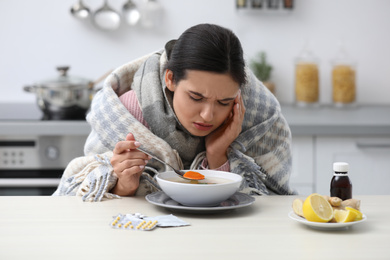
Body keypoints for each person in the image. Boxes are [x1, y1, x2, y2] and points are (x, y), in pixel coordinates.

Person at [53, 23, 296, 202]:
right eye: (196, 97)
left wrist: (217, 154)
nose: (208, 116)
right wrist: (123, 184)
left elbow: (266, 203)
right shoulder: (125, 114)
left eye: (224, 102)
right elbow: (83, 196)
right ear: (170, 79)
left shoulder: (255, 116)